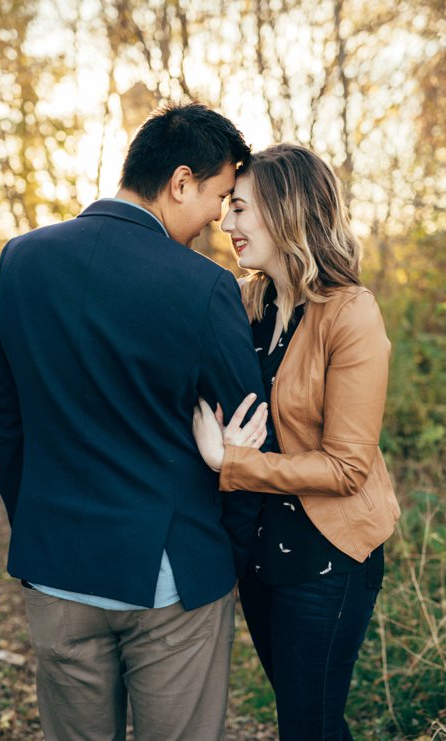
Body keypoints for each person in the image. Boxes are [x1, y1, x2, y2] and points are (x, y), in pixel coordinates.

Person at [0, 101, 271, 740]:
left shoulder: (20, 260)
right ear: (181, 181)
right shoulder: (204, 287)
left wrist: (39, 520)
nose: (217, 221)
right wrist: (224, 551)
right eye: (218, 198)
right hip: (173, 578)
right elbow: (250, 432)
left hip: (56, 568)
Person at [192, 143, 399, 740]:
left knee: (308, 727)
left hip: (327, 558)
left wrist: (230, 461)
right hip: (260, 557)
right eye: (228, 208)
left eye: (241, 208)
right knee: (305, 719)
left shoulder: (350, 313)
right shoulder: (245, 301)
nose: (226, 222)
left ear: (288, 212)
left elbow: (347, 468)